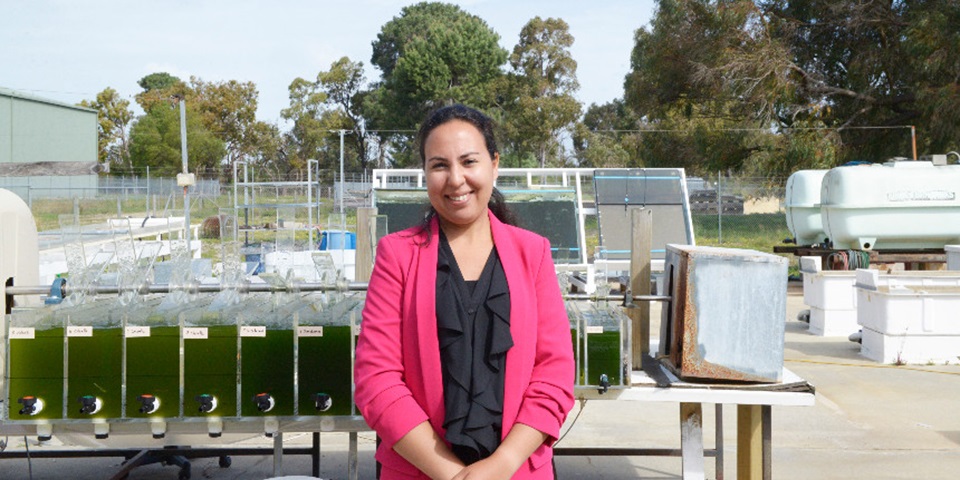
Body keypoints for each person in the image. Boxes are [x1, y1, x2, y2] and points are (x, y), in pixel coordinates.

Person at [354, 104, 575, 479]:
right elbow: (377, 379)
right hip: (418, 471)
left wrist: (502, 465)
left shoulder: (532, 253)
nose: (456, 179)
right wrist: (452, 474)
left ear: (494, 164)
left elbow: (553, 373)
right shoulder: (396, 255)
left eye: (469, 161)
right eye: (439, 165)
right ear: (425, 173)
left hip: (516, 471)